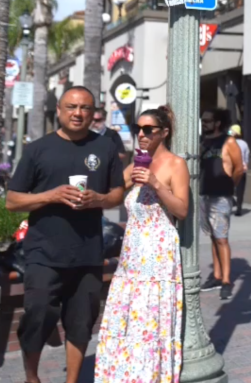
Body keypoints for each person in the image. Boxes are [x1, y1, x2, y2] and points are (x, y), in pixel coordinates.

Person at [5, 86, 125, 383]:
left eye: (84, 108)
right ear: (59, 110)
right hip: (44, 252)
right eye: (71, 107)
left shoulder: (105, 147)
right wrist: (52, 195)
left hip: (87, 252)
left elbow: (118, 193)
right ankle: (32, 378)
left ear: (93, 113)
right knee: (37, 314)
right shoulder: (38, 149)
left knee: (82, 322)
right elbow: (13, 201)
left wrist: (99, 200)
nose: (78, 113)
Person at [95, 106, 188, 383]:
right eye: (138, 129)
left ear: (164, 133)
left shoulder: (176, 164)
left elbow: (182, 210)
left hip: (158, 252)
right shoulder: (136, 163)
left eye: (149, 130)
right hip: (132, 251)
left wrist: (156, 184)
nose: (142, 135)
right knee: (127, 317)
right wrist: (92, 195)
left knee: (149, 319)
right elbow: (112, 195)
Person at [200, 108, 244, 300]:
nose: (204, 123)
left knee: (222, 238)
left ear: (218, 122)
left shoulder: (229, 141)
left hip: (221, 196)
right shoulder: (203, 142)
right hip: (205, 194)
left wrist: (229, 184)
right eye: (203, 120)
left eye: (208, 120)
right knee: (212, 236)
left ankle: (226, 280)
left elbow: (239, 169)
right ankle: (216, 275)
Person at [229, 124, 250, 216]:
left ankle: (232, 203)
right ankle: (239, 208)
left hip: (231, 169)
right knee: (240, 189)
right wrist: (246, 164)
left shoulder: (228, 142)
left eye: (231, 131)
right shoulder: (244, 143)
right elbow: (246, 156)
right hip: (241, 168)